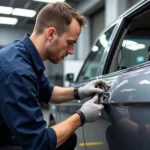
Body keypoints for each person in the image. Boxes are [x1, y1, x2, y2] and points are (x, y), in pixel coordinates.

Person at [0, 2, 110, 150]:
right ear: (51, 34)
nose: (71, 51)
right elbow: (39, 144)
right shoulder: (18, 72)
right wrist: (82, 116)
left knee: (67, 139)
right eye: (70, 42)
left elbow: (47, 92)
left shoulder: (22, 54)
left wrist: (80, 91)